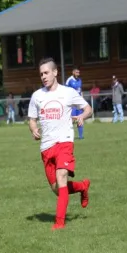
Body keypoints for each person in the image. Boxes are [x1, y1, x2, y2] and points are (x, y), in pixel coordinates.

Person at [28, 58, 91, 230]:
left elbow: (88, 109)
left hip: (64, 142)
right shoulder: (37, 96)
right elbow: (32, 120)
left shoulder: (68, 92)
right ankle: (82, 187)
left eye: (46, 72)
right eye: (41, 74)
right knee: (57, 188)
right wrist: (33, 129)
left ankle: (59, 224)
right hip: (46, 147)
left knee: (61, 177)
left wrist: (81, 117)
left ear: (55, 72)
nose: (43, 76)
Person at [66, 67, 84, 139]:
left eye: (79, 73)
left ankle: (81, 136)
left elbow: (80, 90)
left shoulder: (80, 80)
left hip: (79, 103)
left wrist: (82, 99)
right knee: (71, 120)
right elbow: (65, 91)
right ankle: (69, 135)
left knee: (80, 118)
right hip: (72, 103)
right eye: (77, 72)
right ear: (73, 72)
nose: (78, 74)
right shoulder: (69, 80)